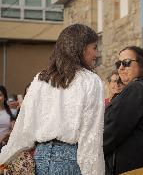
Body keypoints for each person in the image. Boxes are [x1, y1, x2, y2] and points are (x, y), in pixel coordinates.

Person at [0, 24, 105, 175]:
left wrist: (3, 158)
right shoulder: (91, 81)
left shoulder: (41, 79)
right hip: (70, 161)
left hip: (40, 159)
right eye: (94, 48)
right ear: (81, 48)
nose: (97, 54)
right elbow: (90, 139)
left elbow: (23, 130)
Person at [104, 46, 143, 174]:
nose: (120, 68)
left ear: (142, 65)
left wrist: (93, 151)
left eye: (126, 63)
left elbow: (112, 131)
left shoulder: (137, 89)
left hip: (130, 169)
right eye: (118, 64)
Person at [0, 85, 16, 149]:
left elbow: (15, 130)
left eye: (0, 95)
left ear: (5, 97)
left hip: (5, 146)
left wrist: (5, 136)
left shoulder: (12, 112)